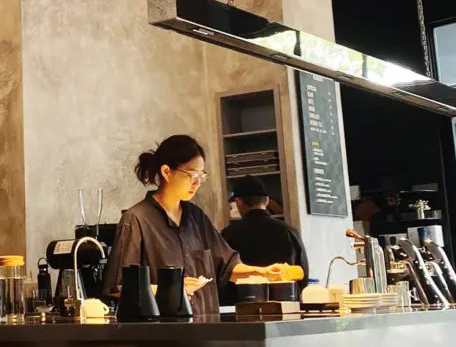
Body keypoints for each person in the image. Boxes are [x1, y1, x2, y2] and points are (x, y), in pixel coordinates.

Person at [103, 135, 288, 315]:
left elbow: (228, 267)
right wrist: (171, 289)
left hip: (206, 327)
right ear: (166, 172)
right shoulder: (137, 219)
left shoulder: (196, 217)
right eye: (191, 175)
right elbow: (119, 287)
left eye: (201, 176)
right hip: (162, 333)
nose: (197, 183)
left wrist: (264, 272)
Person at [219, 176, 310, 305]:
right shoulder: (289, 231)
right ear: (266, 201)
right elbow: (302, 275)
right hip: (284, 307)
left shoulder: (228, 233)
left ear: (238, 202)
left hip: (240, 309)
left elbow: (222, 276)